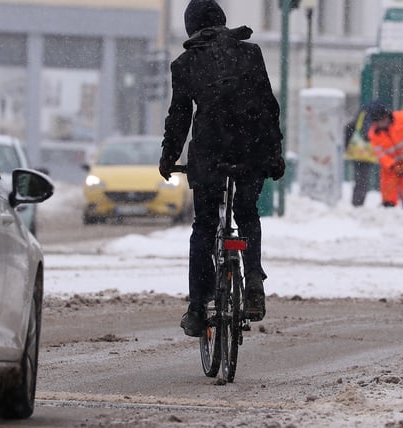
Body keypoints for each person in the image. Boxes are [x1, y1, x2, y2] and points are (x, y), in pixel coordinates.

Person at [158, 0, 285, 337]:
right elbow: (268, 105)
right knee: (246, 213)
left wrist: (169, 157)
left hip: (210, 152)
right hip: (251, 148)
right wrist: (274, 153)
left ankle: (198, 308)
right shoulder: (250, 53)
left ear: (191, 28)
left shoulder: (184, 63)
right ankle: (254, 281)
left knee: (204, 226)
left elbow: (180, 115)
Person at [343, 101, 385, 207]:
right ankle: (358, 202)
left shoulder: (361, 116)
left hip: (357, 152)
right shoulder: (375, 119)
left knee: (360, 178)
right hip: (368, 153)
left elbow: (349, 129)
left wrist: (346, 146)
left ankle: (357, 202)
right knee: (364, 178)